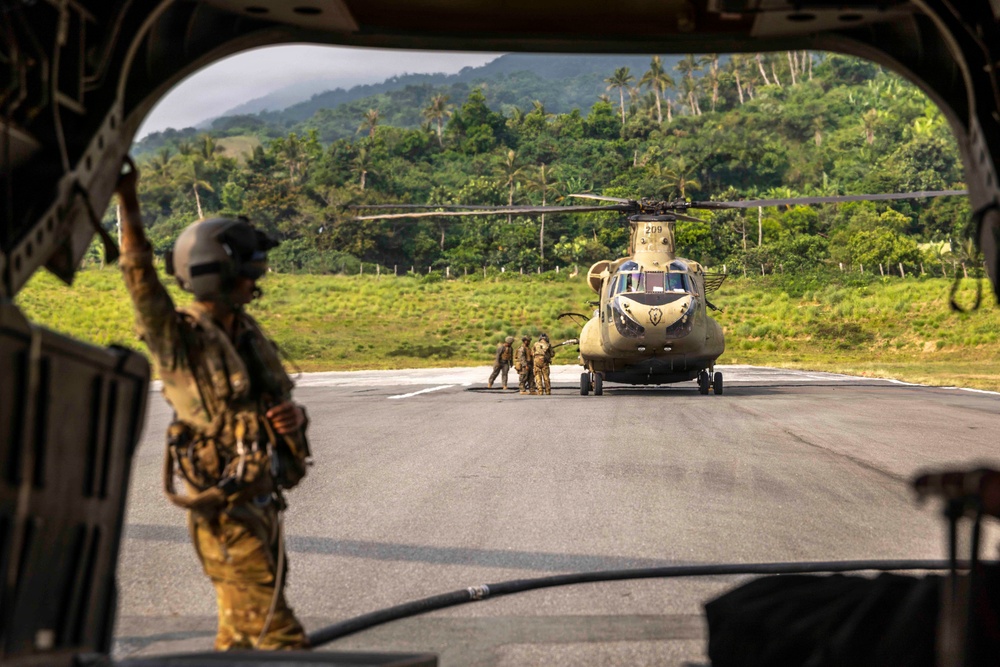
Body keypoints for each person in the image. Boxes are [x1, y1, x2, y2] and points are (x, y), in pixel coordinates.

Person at [115, 157, 310, 651]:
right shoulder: (177, 339)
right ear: (215, 273)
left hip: (262, 501)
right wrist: (127, 198)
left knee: (241, 637)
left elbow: (271, 403)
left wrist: (292, 419)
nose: (255, 282)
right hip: (225, 510)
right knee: (280, 637)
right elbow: (140, 278)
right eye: (247, 273)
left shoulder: (246, 332)